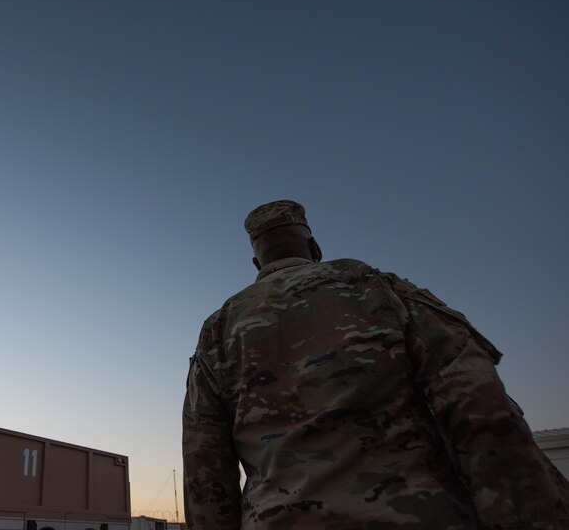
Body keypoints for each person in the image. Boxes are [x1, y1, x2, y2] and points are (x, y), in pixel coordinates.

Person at [182, 199, 569, 529]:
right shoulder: (378, 288)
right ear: (314, 247)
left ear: (256, 261)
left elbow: (205, 469)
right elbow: (483, 413)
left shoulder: (219, 329)